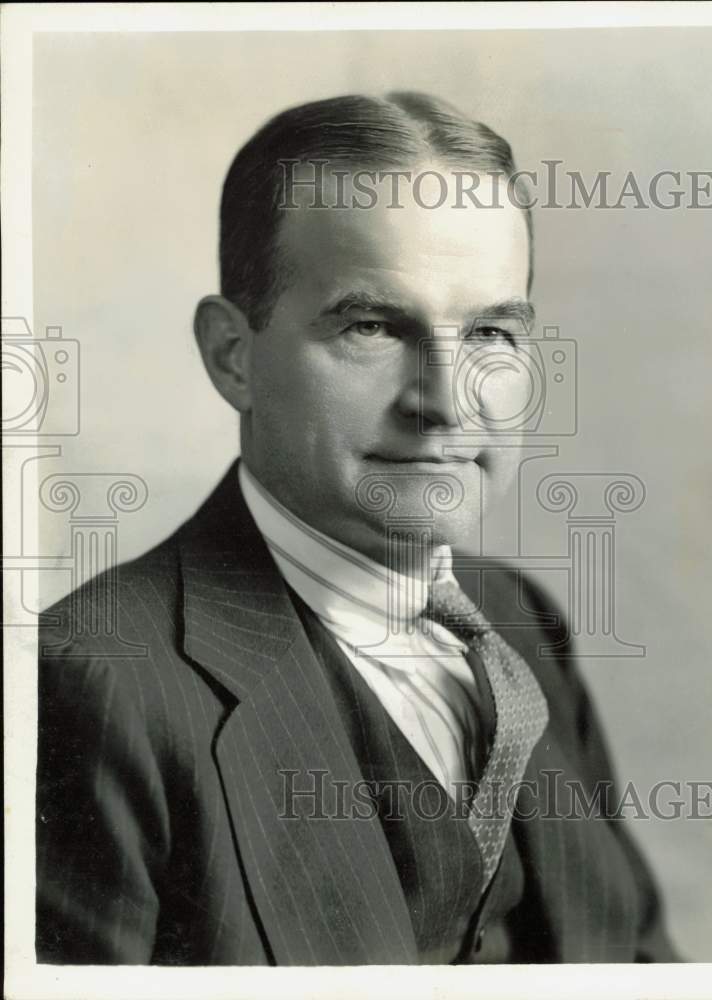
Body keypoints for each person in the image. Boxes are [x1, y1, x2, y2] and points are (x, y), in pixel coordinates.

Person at [36, 92, 678, 965]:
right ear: (233, 355)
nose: (446, 403)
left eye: (491, 331)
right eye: (372, 326)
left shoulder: (516, 619)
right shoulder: (90, 684)